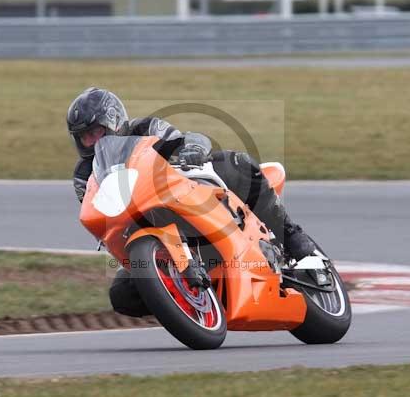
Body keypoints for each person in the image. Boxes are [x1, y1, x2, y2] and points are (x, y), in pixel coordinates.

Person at [67, 87, 318, 317]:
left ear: (113, 121)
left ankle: (291, 235)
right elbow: (94, 205)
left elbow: (183, 139)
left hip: (180, 194)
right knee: (121, 294)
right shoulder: (84, 174)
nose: (93, 141)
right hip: (138, 224)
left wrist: (192, 149)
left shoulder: (145, 128)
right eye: (85, 137)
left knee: (237, 163)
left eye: (96, 132)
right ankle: (181, 299)